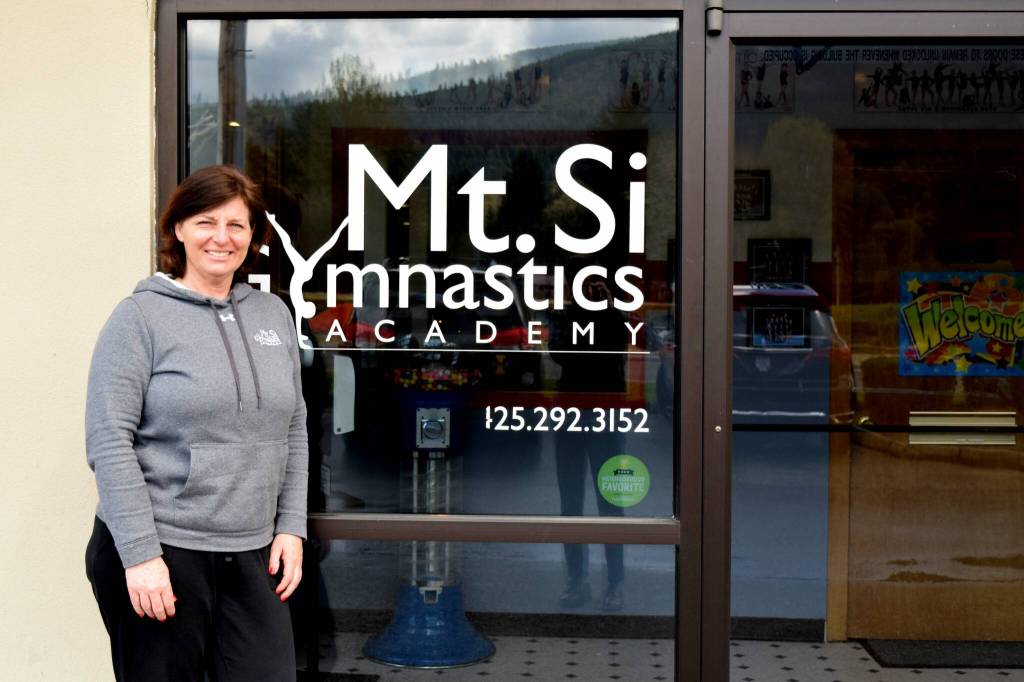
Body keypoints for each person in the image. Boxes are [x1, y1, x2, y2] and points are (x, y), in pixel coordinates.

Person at [84, 165, 309, 681]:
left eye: (237, 225)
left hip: (253, 551)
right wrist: (140, 555)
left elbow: (294, 427)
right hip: (165, 548)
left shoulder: (273, 314)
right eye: (206, 221)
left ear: (253, 237)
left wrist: (291, 526)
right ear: (178, 228)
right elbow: (109, 439)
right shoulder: (139, 318)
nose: (221, 237)